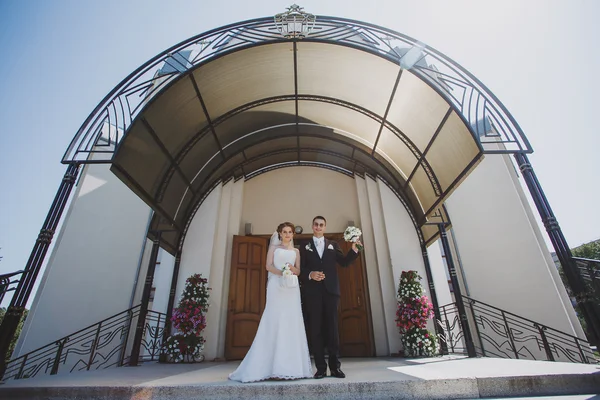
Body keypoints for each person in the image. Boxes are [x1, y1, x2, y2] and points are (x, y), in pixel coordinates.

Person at [229, 222, 312, 382]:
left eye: (290, 232)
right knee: (274, 320)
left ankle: (291, 367)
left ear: (293, 234)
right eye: (284, 232)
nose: (287, 234)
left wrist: (292, 271)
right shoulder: (274, 248)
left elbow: (298, 270)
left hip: (291, 289)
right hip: (276, 286)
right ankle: (268, 367)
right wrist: (282, 272)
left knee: (291, 321)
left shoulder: (296, 251)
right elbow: (268, 266)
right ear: (280, 234)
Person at [300, 216, 362, 379]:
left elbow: (344, 262)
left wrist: (355, 249)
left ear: (325, 227)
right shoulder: (304, 246)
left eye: (321, 225)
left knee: (332, 330)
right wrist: (311, 274)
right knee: (316, 329)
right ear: (312, 226)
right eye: (316, 224)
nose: (318, 227)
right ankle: (320, 368)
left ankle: (335, 368)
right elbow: (300, 269)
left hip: (331, 292)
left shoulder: (333, 245)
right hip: (313, 293)